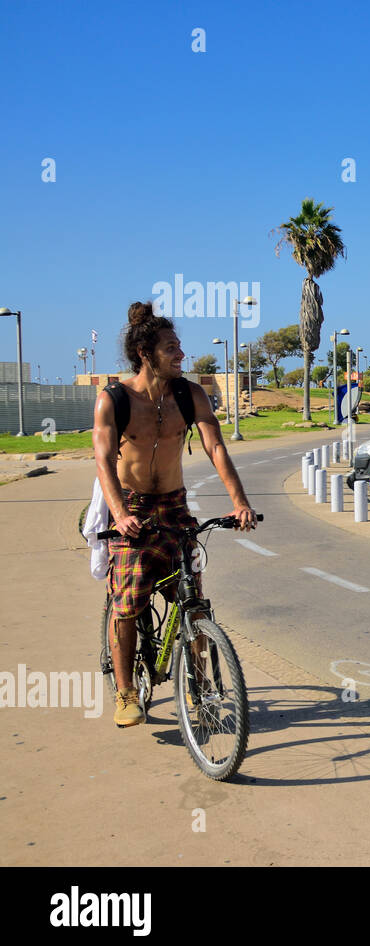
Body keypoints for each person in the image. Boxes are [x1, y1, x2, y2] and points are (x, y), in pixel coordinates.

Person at [92, 301, 256, 727]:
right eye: (171, 348)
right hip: (133, 506)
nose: (181, 354)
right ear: (146, 353)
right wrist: (119, 513)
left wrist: (239, 502)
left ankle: (199, 688)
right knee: (127, 604)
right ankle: (126, 692)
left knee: (194, 604)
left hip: (175, 505)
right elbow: (104, 460)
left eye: (180, 346)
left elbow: (215, 446)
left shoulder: (189, 393)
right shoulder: (114, 399)